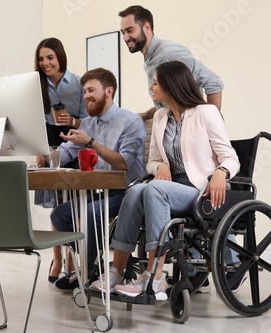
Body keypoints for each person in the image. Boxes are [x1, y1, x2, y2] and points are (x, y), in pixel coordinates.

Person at [90, 61, 239, 299]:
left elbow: (230, 157)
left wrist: (221, 172)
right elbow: (152, 161)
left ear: (172, 85)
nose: (151, 87)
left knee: (153, 189)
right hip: (166, 188)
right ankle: (116, 271)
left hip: (199, 192)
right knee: (136, 190)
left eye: (156, 83)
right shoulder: (160, 117)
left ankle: (155, 277)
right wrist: (161, 165)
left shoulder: (206, 113)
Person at [51, 67, 146, 291]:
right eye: (84, 91)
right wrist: (43, 153)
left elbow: (124, 163)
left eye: (91, 90)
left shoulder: (131, 121)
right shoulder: (87, 124)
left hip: (128, 193)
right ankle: (94, 265)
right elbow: (65, 153)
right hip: (98, 191)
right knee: (60, 216)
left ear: (109, 91)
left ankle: (87, 270)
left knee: (92, 213)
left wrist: (91, 142)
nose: (86, 96)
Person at [35, 38, 89, 282]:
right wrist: (39, 149)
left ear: (60, 57)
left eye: (50, 57)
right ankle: (57, 258)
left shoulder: (78, 83)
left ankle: (72, 257)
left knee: (75, 205)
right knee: (57, 204)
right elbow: (34, 118)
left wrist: (73, 122)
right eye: (41, 58)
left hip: (75, 142)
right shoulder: (36, 84)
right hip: (48, 142)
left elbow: (89, 119)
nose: (45, 63)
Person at [118, 5, 224, 121]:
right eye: (123, 32)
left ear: (146, 27)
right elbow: (168, 104)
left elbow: (213, 82)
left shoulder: (168, 53)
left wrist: (210, 124)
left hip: (189, 133)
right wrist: (144, 115)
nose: (125, 38)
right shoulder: (149, 60)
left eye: (130, 31)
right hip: (172, 132)